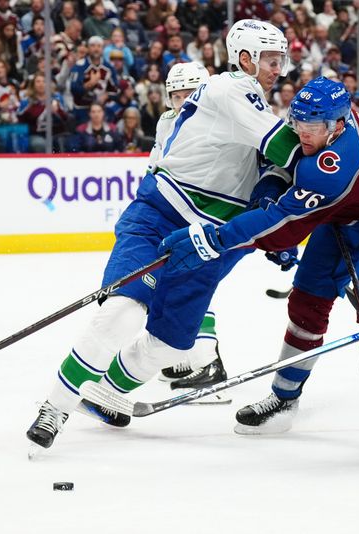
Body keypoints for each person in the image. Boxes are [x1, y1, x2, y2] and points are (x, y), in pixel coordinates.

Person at [25, 20, 301, 450]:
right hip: (161, 219)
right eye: (270, 59)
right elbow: (285, 147)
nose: (278, 68)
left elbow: (269, 167)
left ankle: (107, 393)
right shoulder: (232, 89)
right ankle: (55, 406)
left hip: (209, 240)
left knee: (172, 345)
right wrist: (342, 153)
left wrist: (275, 226)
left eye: (280, 59)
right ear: (244, 58)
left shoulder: (253, 103)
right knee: (123, 313)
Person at [161, 77, 359, 440]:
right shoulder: (331, 125)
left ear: (337, 126)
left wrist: (215, 239)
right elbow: (284, 163)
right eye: (297, 123)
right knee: (306, 303)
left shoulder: (334, 166)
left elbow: (279, 221)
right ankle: (283, 398)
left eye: (312, 127)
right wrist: (269, 186)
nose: (303, 133)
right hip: (342, 213)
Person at [143, 62, 230, 393]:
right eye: (176, 95)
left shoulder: (221, 122)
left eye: (189, 94)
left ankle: (207, 362)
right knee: (178, 285)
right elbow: (156, 165)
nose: (182, 101)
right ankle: (191, 355)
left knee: (191, 284)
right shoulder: (166, 122)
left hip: (211, 219)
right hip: (178, 216)